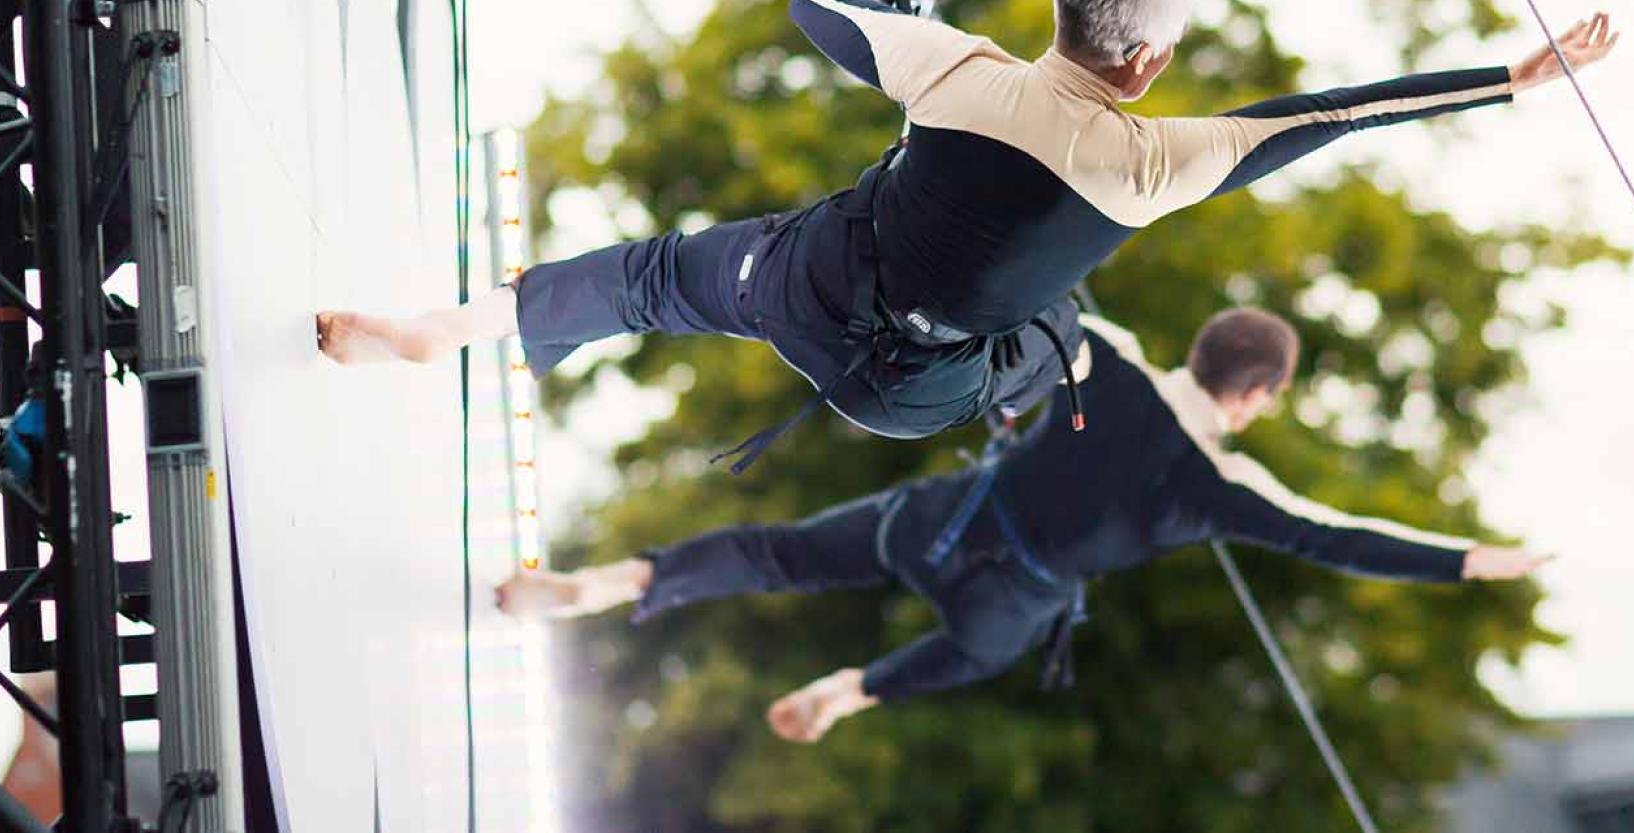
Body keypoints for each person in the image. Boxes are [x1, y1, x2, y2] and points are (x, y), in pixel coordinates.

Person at [316, 0, 1620, 457]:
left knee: (651, 280)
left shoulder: (956, 67)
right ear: (1151, 57)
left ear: (1061, 6)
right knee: (1062, 336)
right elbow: (1333, 113)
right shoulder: (1160, 160)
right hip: (920, 392)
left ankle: (439, 328)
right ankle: (1019, 422)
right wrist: (1511, 77)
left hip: (809, 289)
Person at [494, 307, 1549, 742]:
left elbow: (1034, 309)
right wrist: (1477, 562)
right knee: (965, 660)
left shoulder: (1113, 348)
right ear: (1259, 394)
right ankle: (854, 691)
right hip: (1007, 603)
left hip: (947, 521)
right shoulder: (1229, 486)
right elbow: (1341, 535)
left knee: (785, 554)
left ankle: (617, 583)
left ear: (1200, 354)